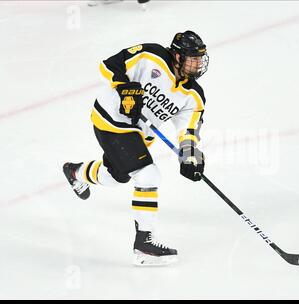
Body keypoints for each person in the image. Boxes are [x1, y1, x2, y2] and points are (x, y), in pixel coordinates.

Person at [63, 30, 209, 266]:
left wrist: (190, 157)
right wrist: (125, 88)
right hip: (110, 119)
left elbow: (188, 132)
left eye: (200, 58)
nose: (197, 64)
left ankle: (76, 173)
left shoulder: (194, 95)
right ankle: (144, 245)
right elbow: (109, 66)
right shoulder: (151, 55)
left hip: (137, 136)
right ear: (177, 56)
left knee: (115, 176)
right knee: (148, 174)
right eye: (193, 58)